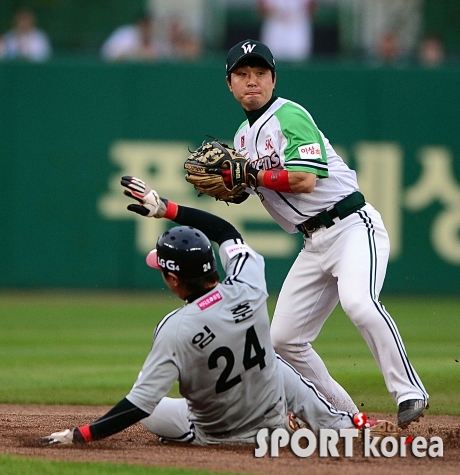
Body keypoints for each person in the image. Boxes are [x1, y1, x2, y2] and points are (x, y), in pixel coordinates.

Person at [38, 176, 396, 446]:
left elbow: (138, 405)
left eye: (163, 271)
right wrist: (167, 208)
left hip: (220, 436)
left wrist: (81, 435)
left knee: (155, 408)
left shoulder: (174, 328)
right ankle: (346, 425)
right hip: (271, 416)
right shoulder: (249, 282)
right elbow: (225, 230)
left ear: (175, 280)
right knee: (277, 365)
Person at [222, 39, 429, 428]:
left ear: (273, 79)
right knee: (283, 339)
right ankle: (346, 417)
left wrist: (249, 174)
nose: (253, 81)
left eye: (260, 73)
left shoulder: (289, 115)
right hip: (313, 242)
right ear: (230, 84)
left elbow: (303, 180)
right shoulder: (241, 138)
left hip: (352, 225)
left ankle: (409, 391)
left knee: (359, 303)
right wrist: (229, 185)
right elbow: (246, 186)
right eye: (243, 75)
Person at [100, 14, 169, 62]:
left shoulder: (157, 40)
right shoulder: (125, 36)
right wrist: (135, 54)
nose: (148, 30)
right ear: (139, 24)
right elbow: (108, 54)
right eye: (145, 26)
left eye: (150, 27)